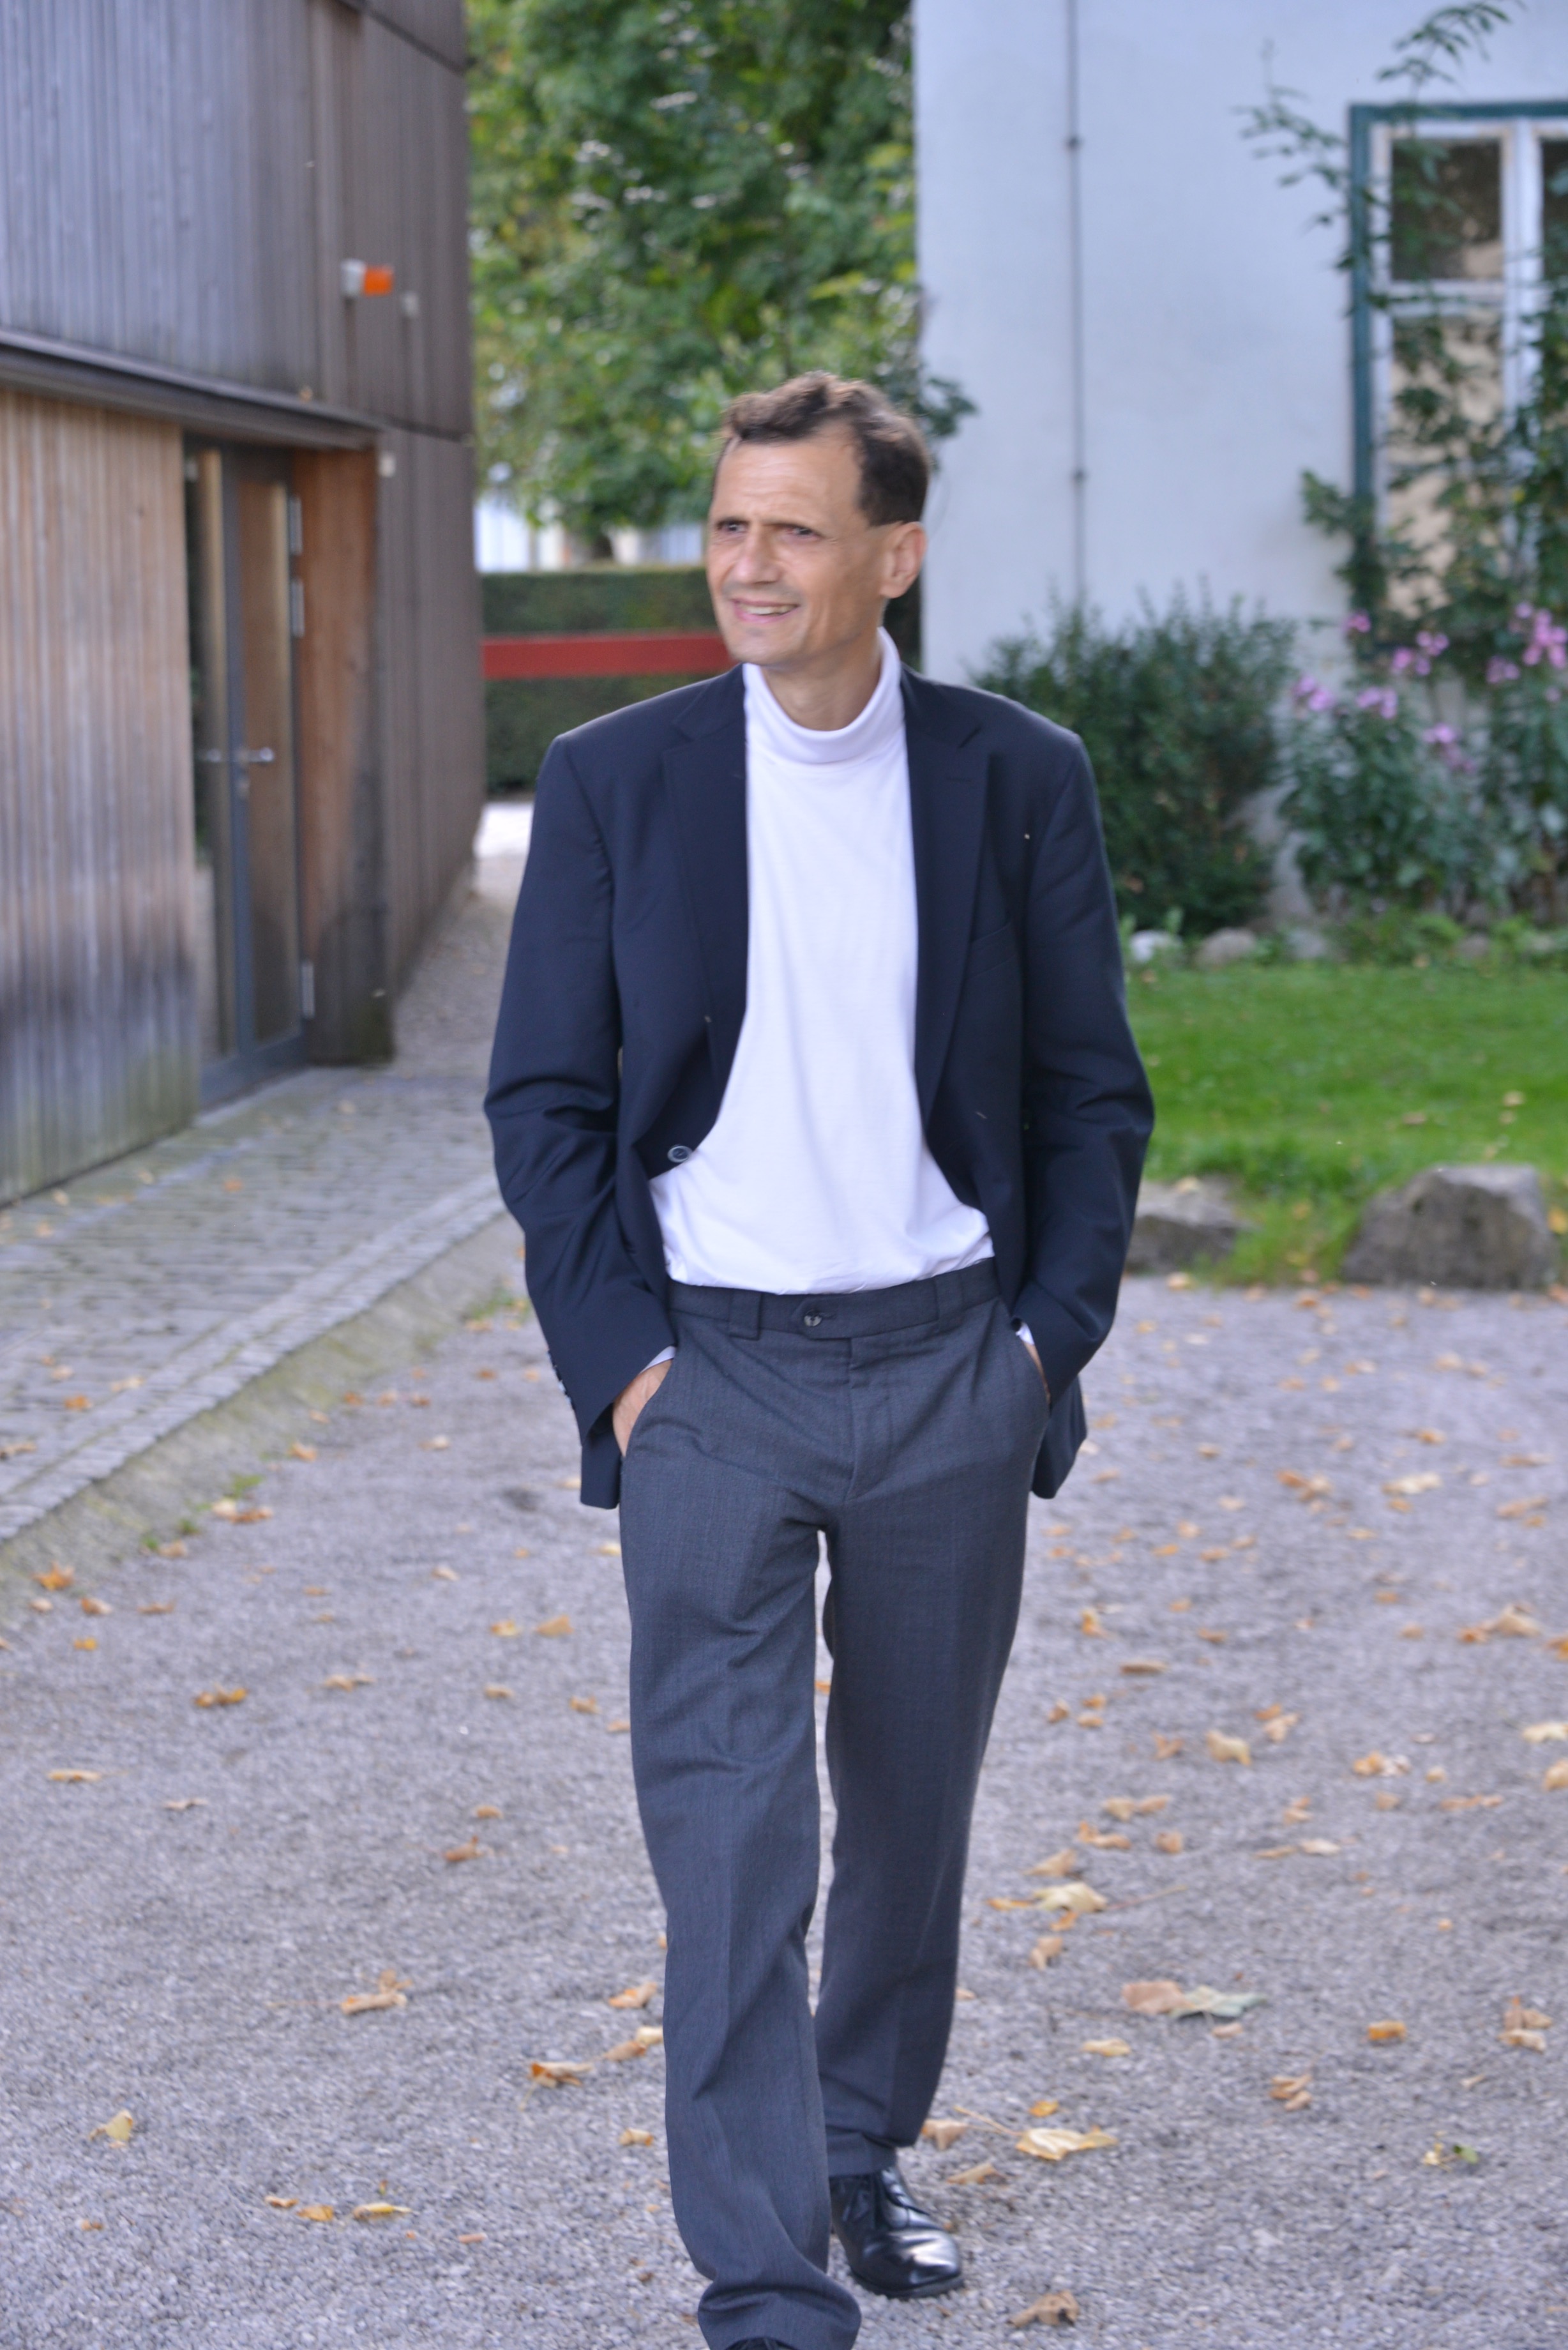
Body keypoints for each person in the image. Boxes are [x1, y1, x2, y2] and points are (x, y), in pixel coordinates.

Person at [486, 373, 1152, 2350]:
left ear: (895, 555)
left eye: (792, 528)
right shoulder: (619, 779)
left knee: (912, 1808)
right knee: (729, 1836)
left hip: (952, 1365)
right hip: (711, 1381)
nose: (748, 565)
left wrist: (1040, 1347)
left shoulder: (1015, 776)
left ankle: (858, 2144)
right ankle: (765, 2282)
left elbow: (1090, 1092)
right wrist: (625, 1369)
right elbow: (546, 1104)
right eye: (728, 526)